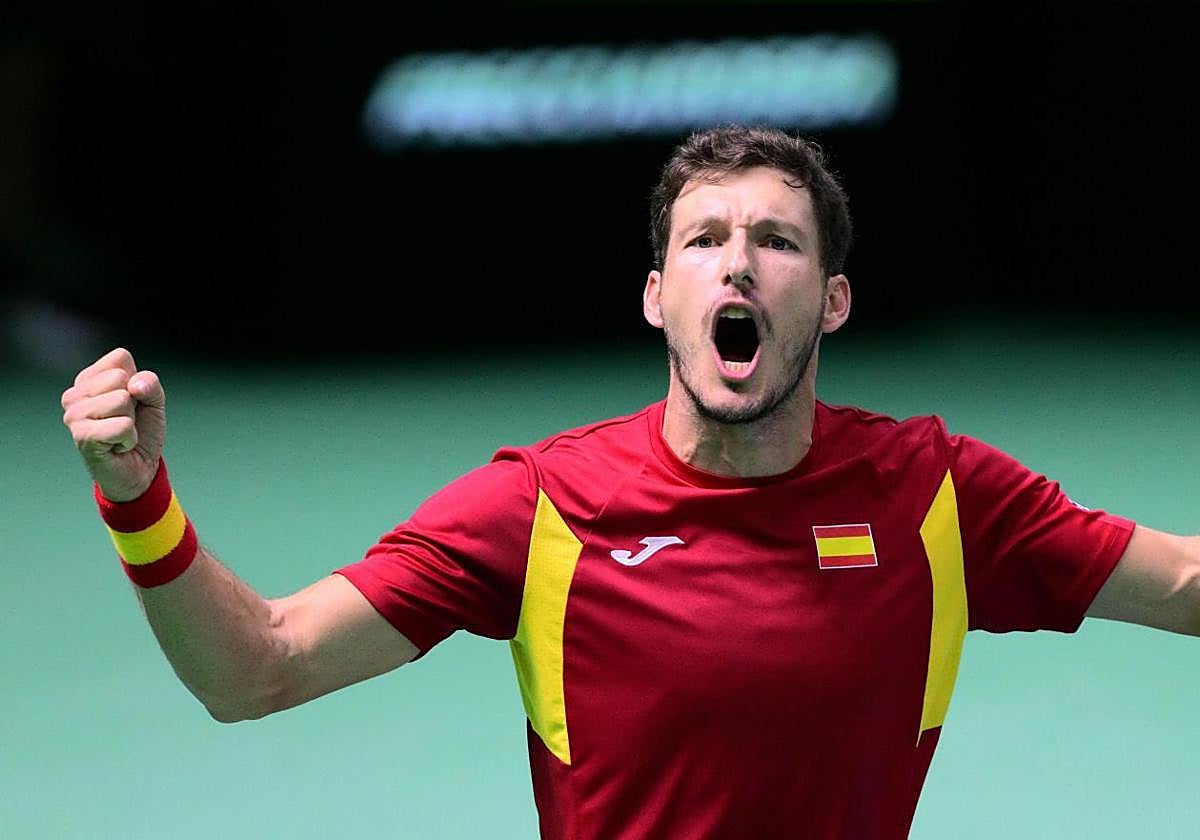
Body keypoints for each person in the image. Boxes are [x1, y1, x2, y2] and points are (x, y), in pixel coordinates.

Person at [61, 125, 1198, 839]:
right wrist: (138, 500)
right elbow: (257, 668)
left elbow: (1187, 581)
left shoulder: (937, 495)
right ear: (660, 296)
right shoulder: (542, 503)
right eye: (705, 240)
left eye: (778, 241)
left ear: (833, 301)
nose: (740, 260)